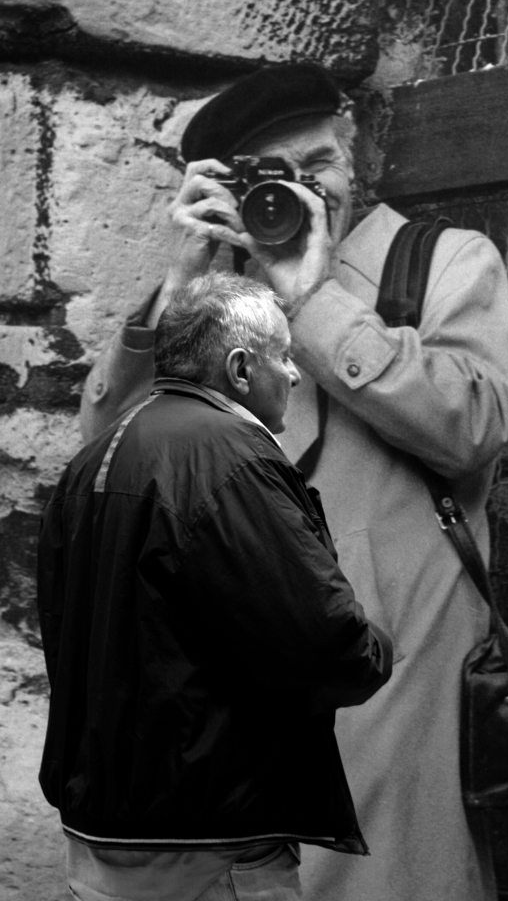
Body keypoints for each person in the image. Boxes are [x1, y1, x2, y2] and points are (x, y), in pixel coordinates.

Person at [80, 63, 508, 900]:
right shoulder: (214, 296)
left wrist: (314, 300)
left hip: (394, 686)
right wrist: (176, 298)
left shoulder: (441, 264)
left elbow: (472, 429)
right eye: (270, 177)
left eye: (316, 164)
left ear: (351, 153)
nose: (305, 192)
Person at [38, 272, 393, 901]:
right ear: (238, 367)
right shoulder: (232, 455)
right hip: (208, 849)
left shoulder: (94, 457)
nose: (294, 374)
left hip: (100, 845)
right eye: (282, 356)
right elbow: (324, 643)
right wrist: (377, 648)